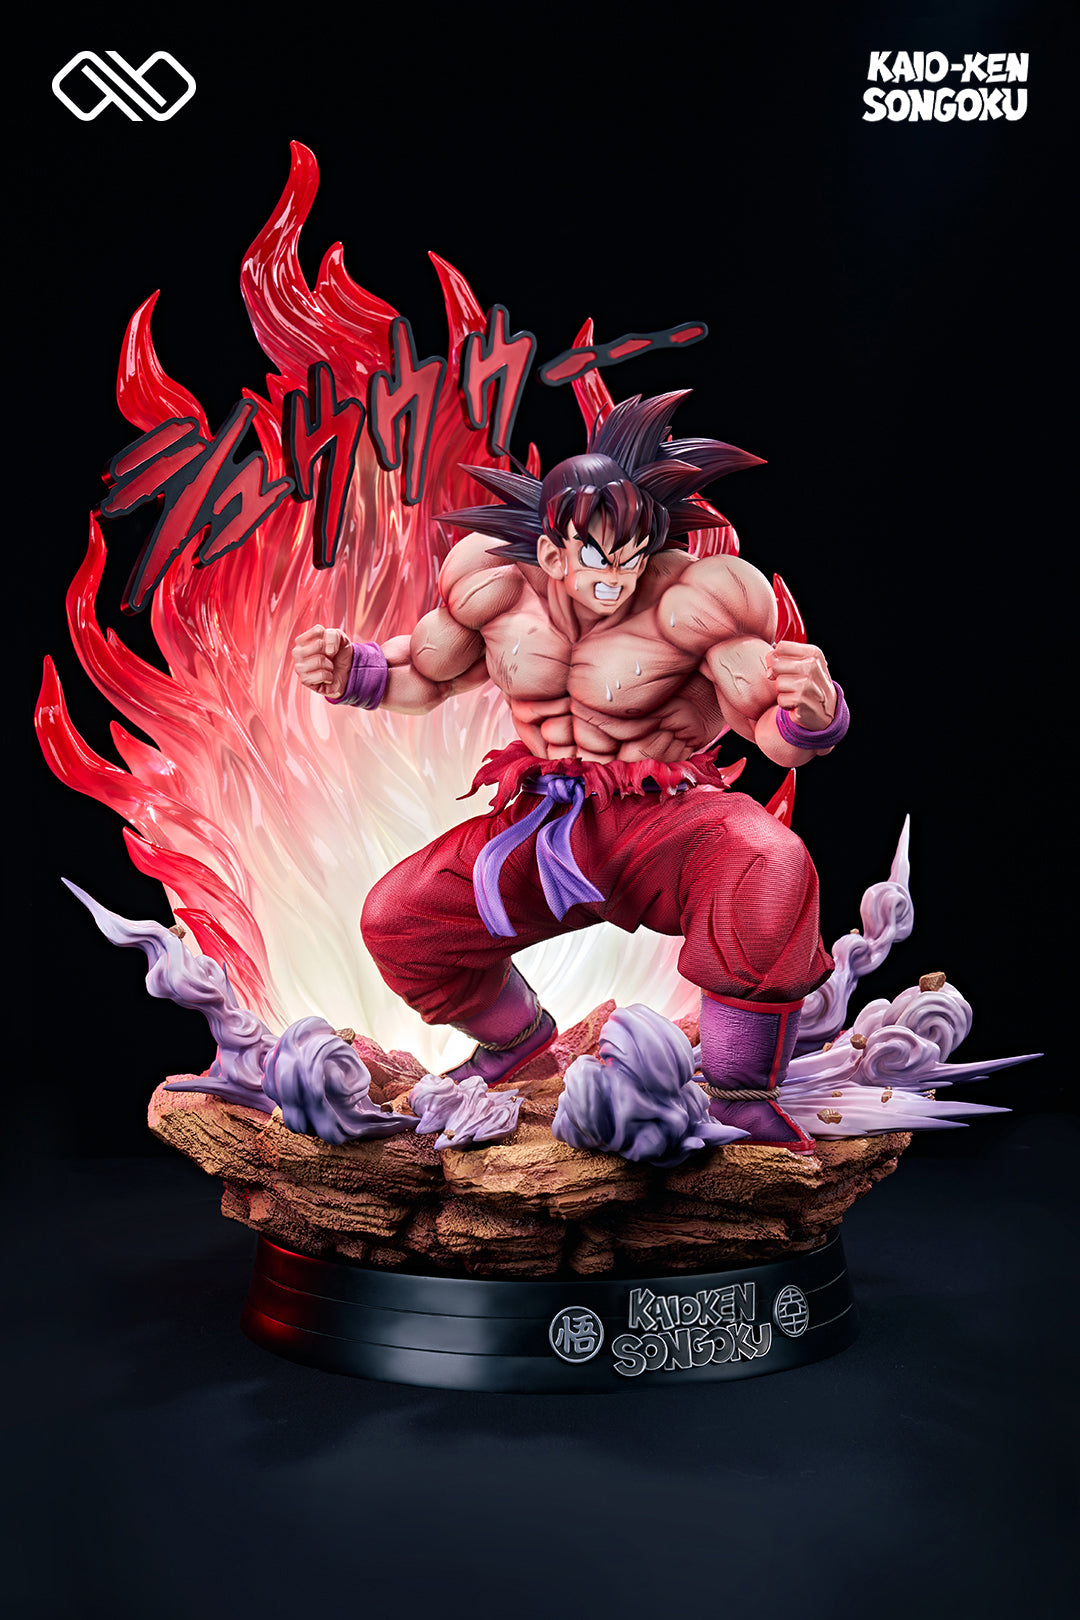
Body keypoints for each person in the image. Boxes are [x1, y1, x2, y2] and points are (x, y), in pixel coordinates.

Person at [291, 392, 848, 1152]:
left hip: (666, 820)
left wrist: (814, 713)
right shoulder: (494, 588)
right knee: (400, 919)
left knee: (768, 861)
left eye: (634, 551)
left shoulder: (697, 599)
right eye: (597, 553)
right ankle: (516, 1045)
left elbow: (774, 737)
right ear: (552, 550)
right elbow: (422, 675)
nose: (617, 573)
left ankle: (741, 1095)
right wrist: (348, 672)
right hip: (546, 819)